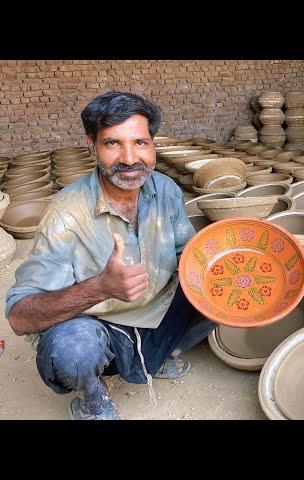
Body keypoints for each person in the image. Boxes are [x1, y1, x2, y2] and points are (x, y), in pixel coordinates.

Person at [5, 91, 214, 420]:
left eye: (141, 143)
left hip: (157, 310)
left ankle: (157, 355)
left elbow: (187, 252)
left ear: (152, 144)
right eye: (113, 143)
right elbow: (19, 316)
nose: (130, 158)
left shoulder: (166, 190)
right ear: (92, 146)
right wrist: (100, 287)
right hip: (103, 326)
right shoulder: (67, 213)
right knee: (72, 348)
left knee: (224, 286)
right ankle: (92, 396)